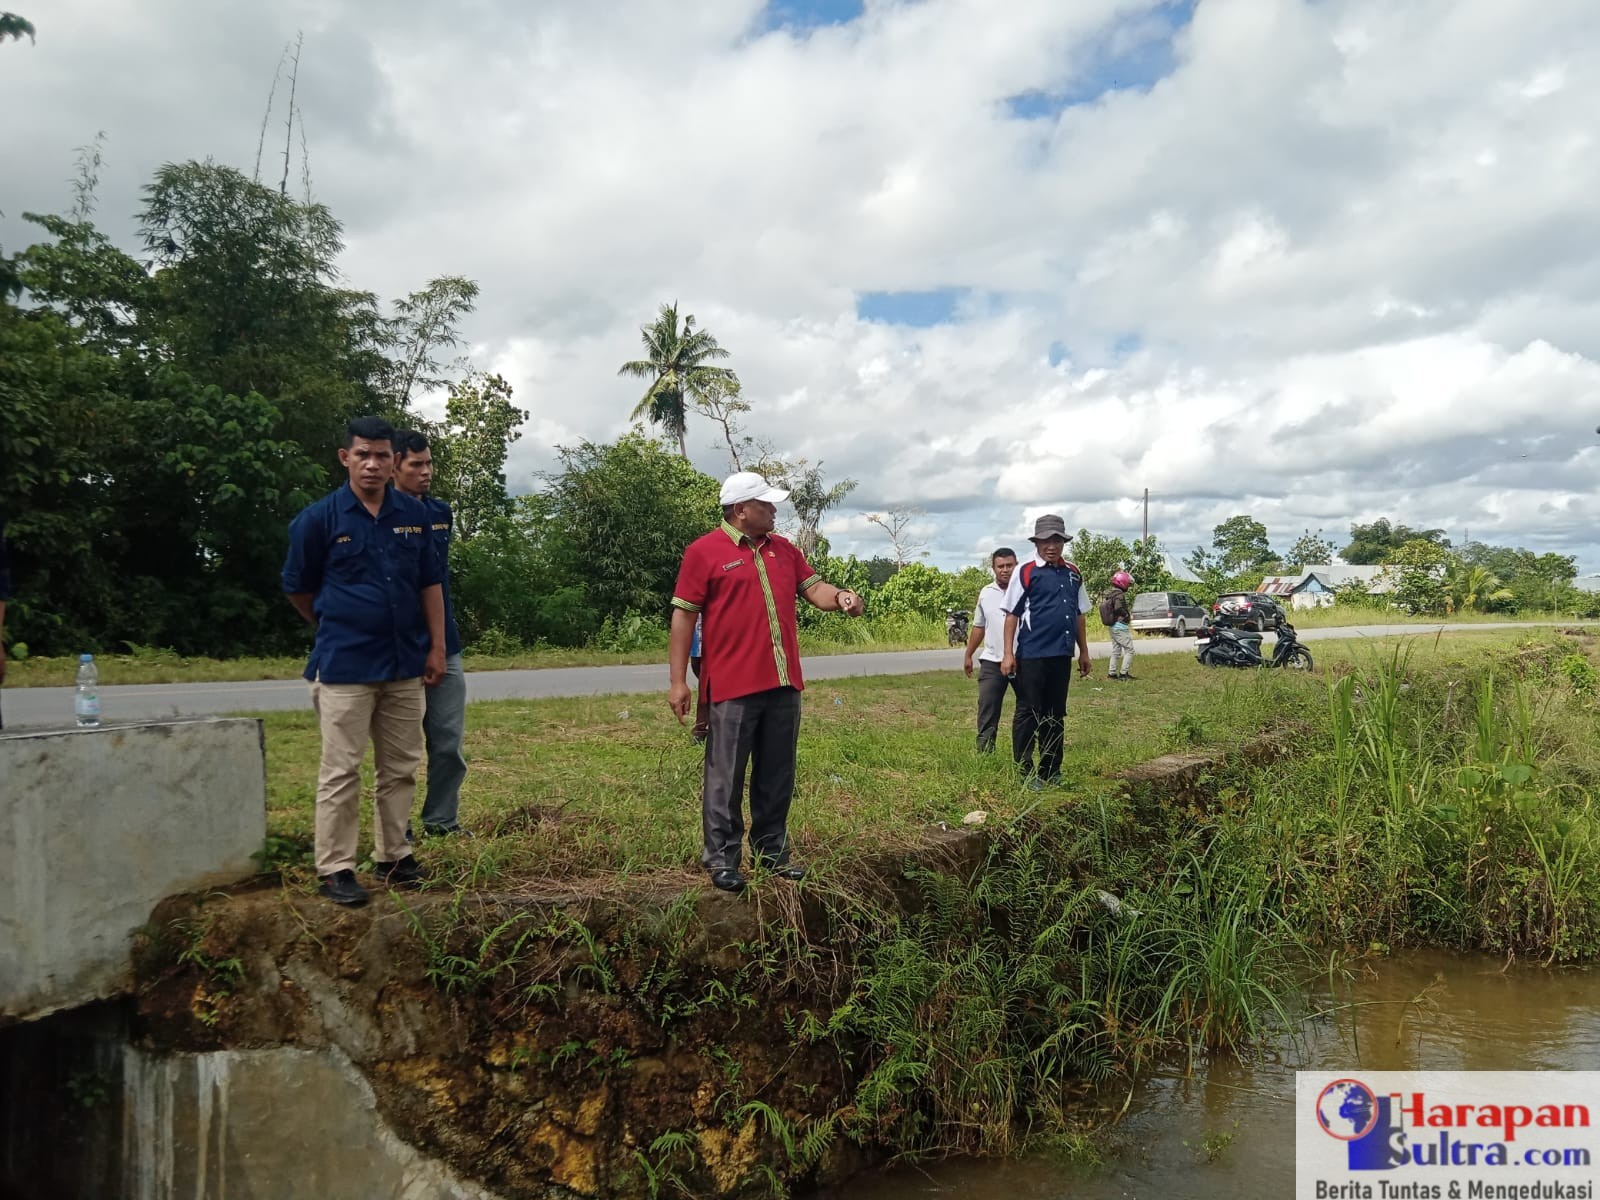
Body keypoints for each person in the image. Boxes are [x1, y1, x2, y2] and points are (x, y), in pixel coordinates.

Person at [667, 471, 866, 893]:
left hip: (783, 682)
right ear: (741, 511)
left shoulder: (784, 551)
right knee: (726, 775)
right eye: (766, 504)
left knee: (777, 772)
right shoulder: (704, 552)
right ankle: (722, 858)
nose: (775, 510)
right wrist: (679, 681)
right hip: (733, 686)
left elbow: (814, 589)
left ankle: (772, 851)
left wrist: (843, 596)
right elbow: (683, 616)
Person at [282, 417, 446, 907]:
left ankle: (394, 855)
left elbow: (429, 584)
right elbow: (298, 587)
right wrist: (336, 620)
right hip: (345, 666)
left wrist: (436, 647)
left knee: (400, 767)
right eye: (362, 455)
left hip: (404, 665)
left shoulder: (412, 517)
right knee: (341, 770)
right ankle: (335, 867)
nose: (372, 464)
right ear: (345, 458)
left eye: (381, 455)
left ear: (394, 460)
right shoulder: (318, 520)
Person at [392, 429, 471, 837]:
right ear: (395, 467)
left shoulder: (440, 512)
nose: (425, 472)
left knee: (447, 741)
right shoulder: (379, 515)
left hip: (446, 644)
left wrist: (440, 643)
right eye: (415, 465)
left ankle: (441, 821)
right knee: (399, 749)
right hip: (400, 648)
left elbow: (436, 580)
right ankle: (396, 826)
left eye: (429, 464)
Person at [999, 515, 1092, 790]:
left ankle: (1051, 770)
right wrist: (1008, 653)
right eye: (1045, 541)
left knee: (1055, 714)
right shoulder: (1026, 571)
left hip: (1061, 654)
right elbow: (1011, 615)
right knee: (1029, 712)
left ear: (1063, 542)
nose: (1051, 546)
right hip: (1032, 653)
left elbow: (1079, 615)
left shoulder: (1073, 573)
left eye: (1056, 540)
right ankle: (1025, 772)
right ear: (1037, 543)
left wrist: (1083, 651)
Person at [962, 547, 1019, 752]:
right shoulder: (986, 593)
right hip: (992, 661)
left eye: (1009, 565)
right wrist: (969, 654)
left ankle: (1024, 754)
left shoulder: (1026, 590)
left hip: (1023, 660)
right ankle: (985, 753)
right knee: (987, 707)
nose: (1005, 570)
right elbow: (979, 626)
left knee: (1029, 709)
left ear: (1016, 565)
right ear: (993, 568)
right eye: (1000, 566)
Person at [1104, 569, 1136, 681]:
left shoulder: (1110, 594)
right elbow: (1118, 608)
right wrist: (1126, 614)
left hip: (1113, 626)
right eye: (1128, 584)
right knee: (1130, 650)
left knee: (1116, 650)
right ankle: (1123, 674)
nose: (1129, 586)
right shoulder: (1119, 595)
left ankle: (1112, 674)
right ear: (1123, 583)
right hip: (1120, 627)